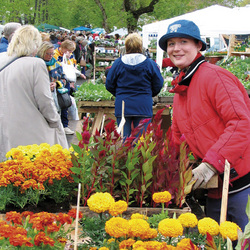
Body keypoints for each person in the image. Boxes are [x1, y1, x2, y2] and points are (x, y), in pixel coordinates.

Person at [159, 19, 250, 232]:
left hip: (239, 177)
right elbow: (178, 138)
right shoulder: (182, 86)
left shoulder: (215, 76)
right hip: (215, 183)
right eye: (171, 44)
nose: (176, 48)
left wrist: (211, 164)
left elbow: (240, 122)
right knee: (216, 239)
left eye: (183, 42)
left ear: (198, 46)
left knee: (239, 239)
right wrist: (164, 168)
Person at [0, 25, 68, 161]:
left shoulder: (2, 60)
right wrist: (55, 121)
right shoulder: (36, 64)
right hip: (32, 128)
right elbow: (44, 99)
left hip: (6, 126)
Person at [106, 32, 164, 138]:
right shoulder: (150, 64)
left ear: (126, 46)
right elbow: (158, 83)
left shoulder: (118, 64)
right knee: (141, 142)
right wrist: (149, 94)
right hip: (143, 104)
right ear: (140, 46)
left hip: (123, 105)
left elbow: (109, 84)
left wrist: (119, 94)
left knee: (125, 141)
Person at [53, 39, 84, 135]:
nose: (70, 53)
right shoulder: (55, 54)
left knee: (65, 103)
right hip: (58, 82)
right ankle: (60, 125)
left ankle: (64, 125)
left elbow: (71, 66)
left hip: (65, 81)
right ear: (63, 48)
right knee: (59, 103)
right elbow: (57, 67)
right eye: (69, 50)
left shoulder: (68, 56)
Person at [37, 41, 67, 113]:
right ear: (42, 52)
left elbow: (64, 80)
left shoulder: (57, 64)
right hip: (39, 98)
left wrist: (56, 84)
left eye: (52, 53)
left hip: (55, 97)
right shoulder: (36, 64)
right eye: (48, 53)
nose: (51, 56)